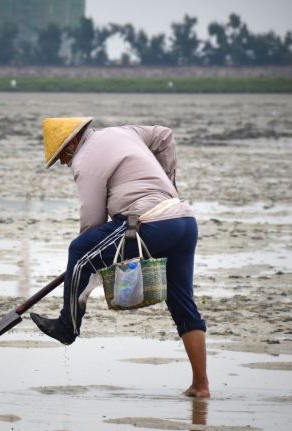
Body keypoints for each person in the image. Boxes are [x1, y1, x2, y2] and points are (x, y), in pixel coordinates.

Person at [30, 117, 210, 398]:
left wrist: (86, 260)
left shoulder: (84, 161)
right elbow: (164, 136)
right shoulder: (124, 132)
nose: (64, 163)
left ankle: (67, 326)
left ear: (73, 142)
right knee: (183, 304)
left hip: (151, 224)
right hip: (183, 219)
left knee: (78, 251)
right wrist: (168, 186)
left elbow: (92, 221)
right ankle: (201, 386)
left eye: (62, 155)